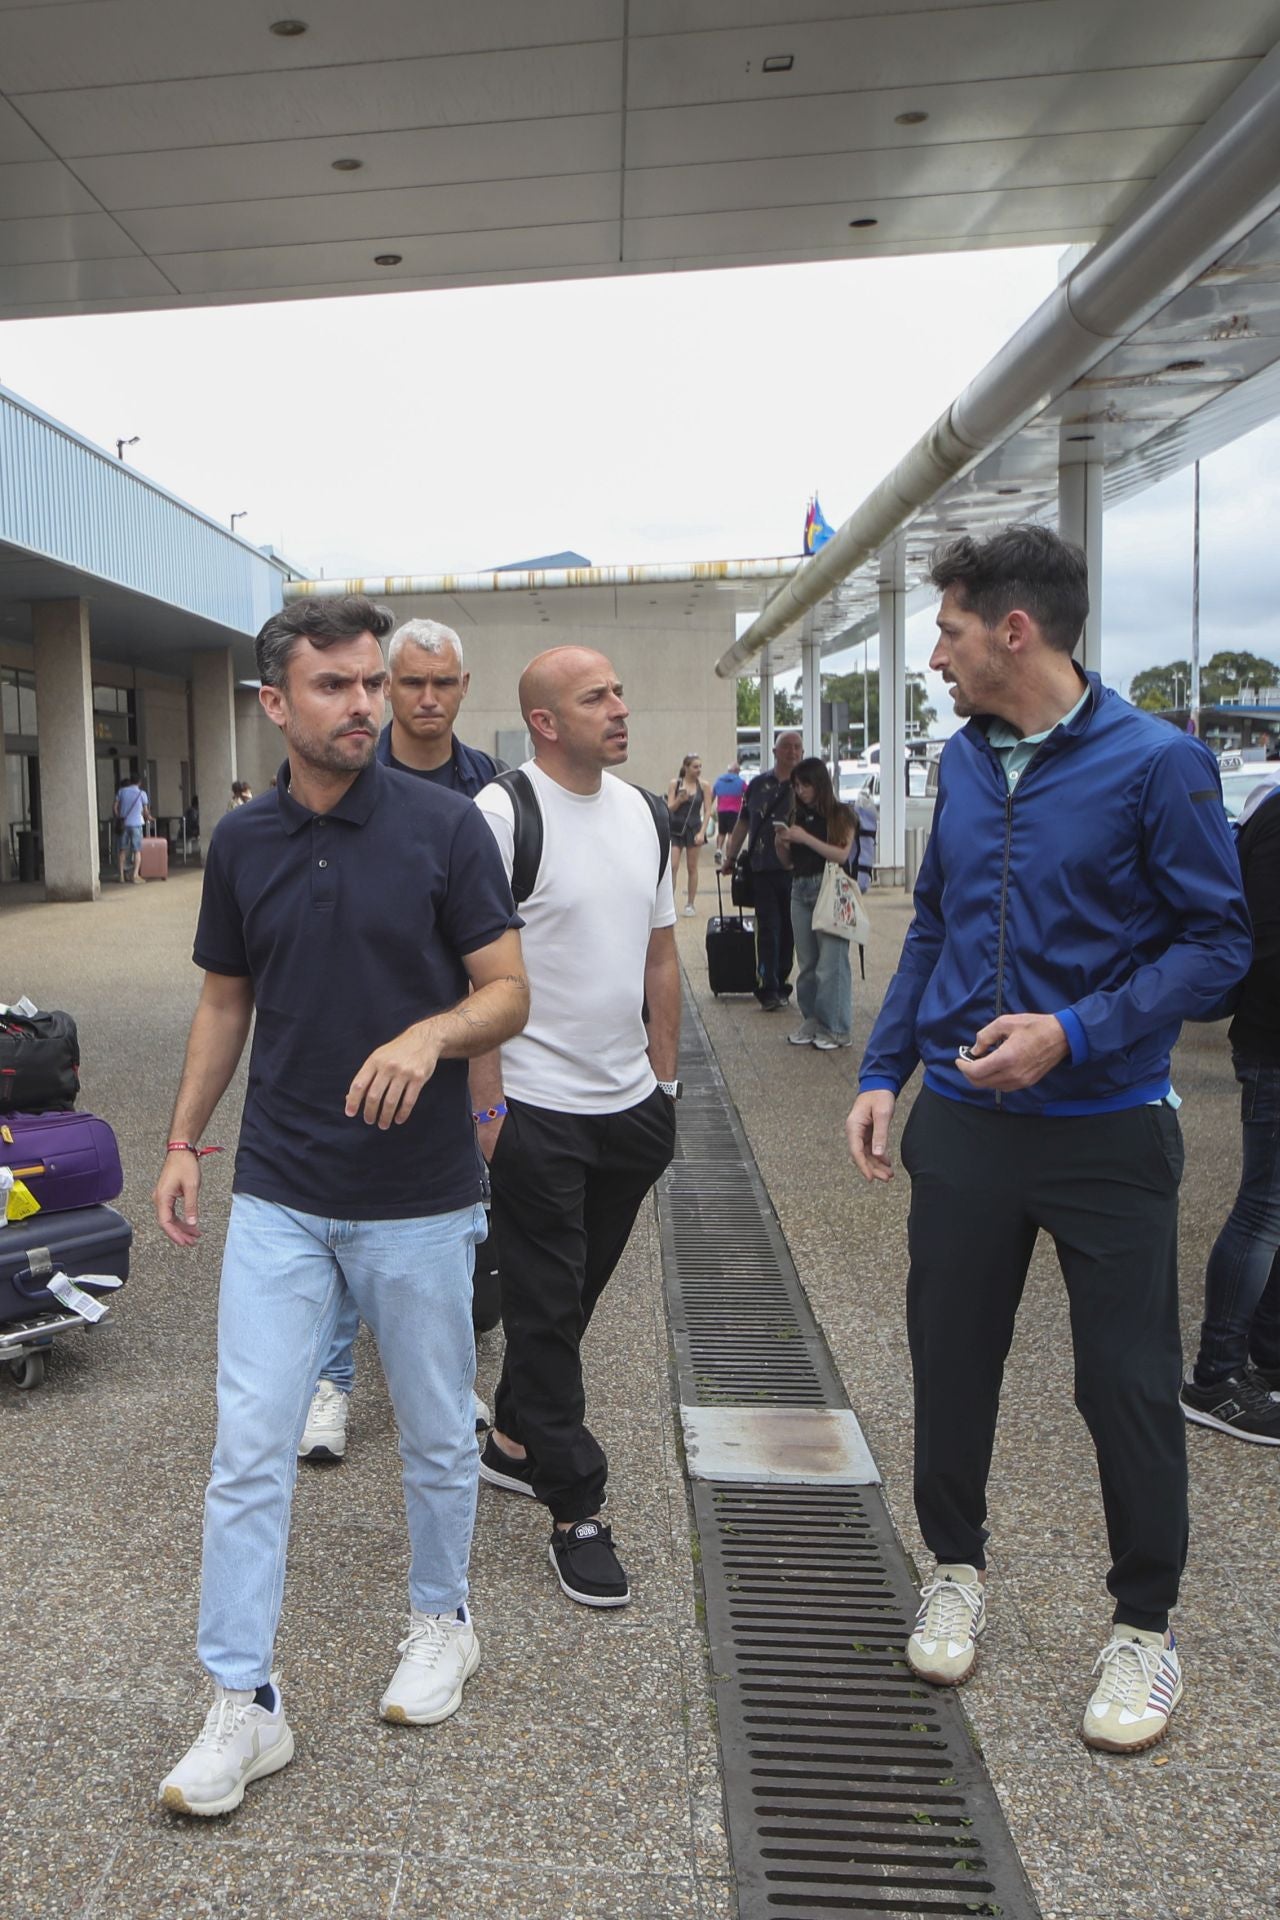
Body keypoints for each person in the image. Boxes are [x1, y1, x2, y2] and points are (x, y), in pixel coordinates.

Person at [845, 525, 1250, 1755]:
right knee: (948, 1359)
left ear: (1013, 632)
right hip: (964, 1129)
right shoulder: (961, 764)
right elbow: (932, 927)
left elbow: (1216, 945)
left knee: (1121, 1383)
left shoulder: (1157, 763)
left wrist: (1072, 1032)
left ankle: (1142, 1629)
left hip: (1105, 1131)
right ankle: (954, 1567)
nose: (934, 656)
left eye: (949, 631)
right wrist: (879, 1069)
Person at [151, 593, 528, 1817]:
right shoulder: (246, 842)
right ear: (277, 702)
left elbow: (506, 992)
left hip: (418, 1197)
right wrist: (182, 1141)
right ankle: (243, 1704)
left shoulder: (445, 829)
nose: (366, 704)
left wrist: (430, 1034)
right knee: (248, 1445)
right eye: (338, 686)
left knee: (431, 1430)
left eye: (375, 683)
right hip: (279, 1191)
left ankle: (442, 1622)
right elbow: (224, 1001)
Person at [471, 645, 679, 1610]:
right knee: (549, 1306)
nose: (620, 707)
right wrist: (486, 1108)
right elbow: (469, 972)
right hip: (536, 1109)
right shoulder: (503, 815)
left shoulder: (645, 813)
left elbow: (661, 959)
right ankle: (575, 1506)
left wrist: (666, 1088)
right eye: (597, 696)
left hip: (629, 1110)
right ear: (546, 721)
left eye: (620, 689)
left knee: (572, 1296)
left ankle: (514, 1438)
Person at [299, 615, 502, 1465]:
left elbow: (498, 959)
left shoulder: (491, 792)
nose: (423, 698)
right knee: (341, 1211)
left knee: (448, 1223)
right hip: (353, 1037)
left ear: (462, 688)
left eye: (440, 682)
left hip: (454, 1038)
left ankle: (447, 1388)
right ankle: (332, 1384)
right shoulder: (349, 769)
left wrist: (488, 1087)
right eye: (406, 681)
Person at [1181, 779, 1280, 1443]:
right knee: (1263, 1210)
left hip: (1267, 1039)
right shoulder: (1275, 822)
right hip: (1274, 1046)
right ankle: (1216, 1375)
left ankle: (1265, 1356)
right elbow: (1264, 947)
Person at [720, 731, 804, 1010]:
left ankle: (781, 979)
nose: (792, 752)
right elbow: (743, 823)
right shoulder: (757, 785)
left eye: (797, 748)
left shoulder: (806, 785)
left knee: (790, 928)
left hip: (795, 870)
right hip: (762, 867)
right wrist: (730, 856)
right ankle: (767, 985)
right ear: (775, 752)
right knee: (768, 927)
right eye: (787, 747)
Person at [775, 757, 855, 1050]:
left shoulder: (841, 814)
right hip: (800, 887)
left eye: (805, 785)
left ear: (818, 784)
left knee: (831, 963)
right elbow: (788, 863)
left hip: (830, 888)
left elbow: (841, 855)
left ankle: (836, 1027)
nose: (800, 791)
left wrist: (805, 838)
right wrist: (782, 844)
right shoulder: (796, 816)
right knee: (807, 962)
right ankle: (813, 1019)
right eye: (796, 786)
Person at [666, 753, 712, 916]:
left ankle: (690, 904)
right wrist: (679, 800)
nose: (698, 770)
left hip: (694, 828)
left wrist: (702, 832)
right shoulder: (675, 784)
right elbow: (669, 808)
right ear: (686, 767)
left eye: (700, 766)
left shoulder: (704, 785)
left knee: (692, 867)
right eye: (695, 767)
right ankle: (668, 903)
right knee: (672, 865)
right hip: (676, 828)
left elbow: (707, 811)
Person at [113, 773, 151, 884]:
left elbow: (115, 807)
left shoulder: (121, 791)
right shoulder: (142, 794)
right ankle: (135, 875)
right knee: (137, 851)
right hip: (136, 824)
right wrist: (149, 817)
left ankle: (121, 876)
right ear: (139, 782)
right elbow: (145, 811)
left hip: (124, 824)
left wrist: (119, 817)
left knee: (122, 851)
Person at [712, 760, 747, 841]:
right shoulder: (741, 782)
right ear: (737, 771)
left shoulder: (719, 781)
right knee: (731, 833)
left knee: (721, 833)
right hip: (734, 811)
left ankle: (718, 850)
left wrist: (708, 809)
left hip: (721, 811)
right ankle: (729, 853)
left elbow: (712, 796)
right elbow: (748, 794)